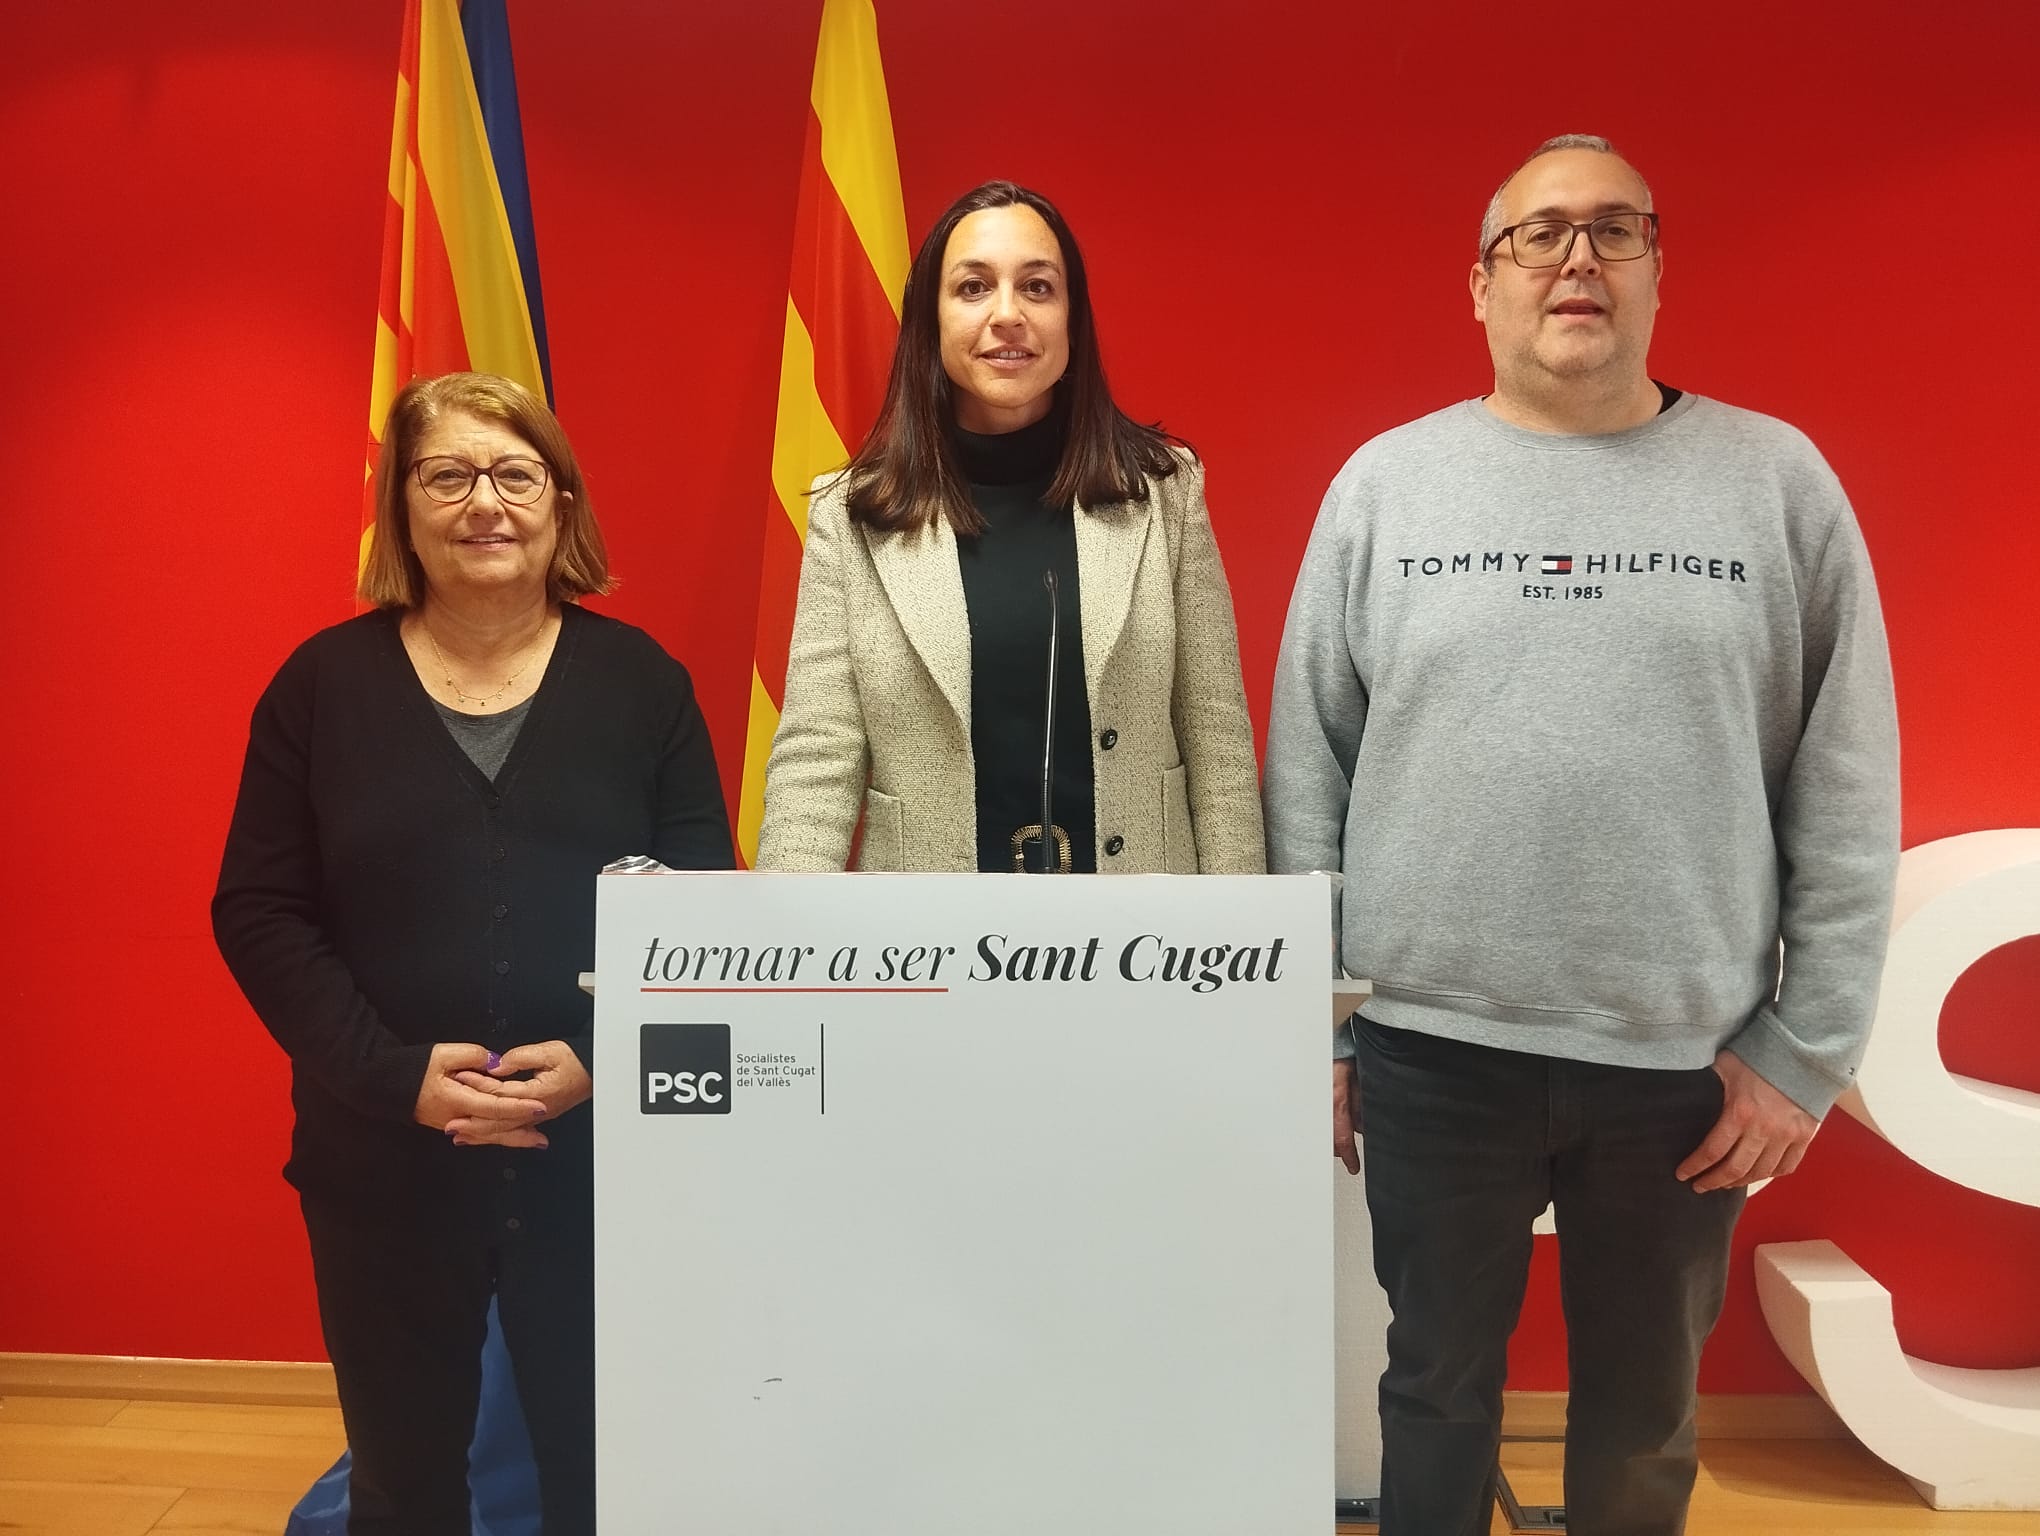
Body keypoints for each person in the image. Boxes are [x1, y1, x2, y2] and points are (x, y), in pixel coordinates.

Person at [1263, 135, 1900, 1535]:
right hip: (1431, 1052)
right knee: (1431, 1391)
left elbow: (1847, 790)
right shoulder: (1386, 486)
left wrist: (1807, 1054)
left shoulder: (1776, 483)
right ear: (1480, 288)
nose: (1575, 259)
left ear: (1658, 273)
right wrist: (1316, 1025)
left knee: (1643, 1417)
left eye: (1614, 231)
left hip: (1679, 1071)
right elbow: (1305, 772)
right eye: (1537, 237)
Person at [214, 371, 734, 1534]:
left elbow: (705, 913)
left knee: (602, 1483)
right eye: (445, 475)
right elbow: (258, 910)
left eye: (513, 474)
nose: (482, 502)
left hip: (601, 1164)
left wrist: (603, 1056)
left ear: (561, 503)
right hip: (381, 1168)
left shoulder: (643, 685)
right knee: (401, 1490)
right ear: (402, 508)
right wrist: (392, 1075)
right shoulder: (320, 688)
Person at [758, 180, 1262, 876]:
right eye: (972, 288)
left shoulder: (1163, 493)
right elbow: (816, 762)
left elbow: (1218, 744)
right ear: (929, 322)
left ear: (1072, 319)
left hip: (1143, 947)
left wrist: (1237, 942)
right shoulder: (852, 516)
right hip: (928, 951)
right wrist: (788, 951)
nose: (1007, 314)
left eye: (1037, 287)